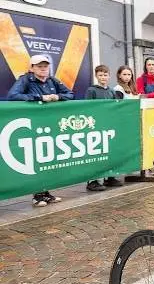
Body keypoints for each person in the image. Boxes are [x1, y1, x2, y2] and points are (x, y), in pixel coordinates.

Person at [6, 54, 74, 206]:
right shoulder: (25, 79)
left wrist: (57, 96)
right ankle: (37, 195)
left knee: (48, 158)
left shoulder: (53, 80)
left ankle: (46, 193)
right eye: (39, 66)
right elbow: (12, 96)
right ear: (32, 68)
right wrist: (39, 97)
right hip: (33, 126)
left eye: (45, 66)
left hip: (52, 124)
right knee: (37, 158)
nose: (43, 69)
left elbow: (70, 94)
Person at [84, 65, 124, 191]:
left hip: (109, 126)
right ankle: (93, 180)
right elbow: (87, 108)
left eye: (105, 75)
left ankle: (109, 177)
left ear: (109, 76)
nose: (103, 77)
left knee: (110, 152)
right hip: (97, 126)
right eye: (100, 75)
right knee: (96, 153)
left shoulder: (111, 91)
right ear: (96, 76)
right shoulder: (91, 90)